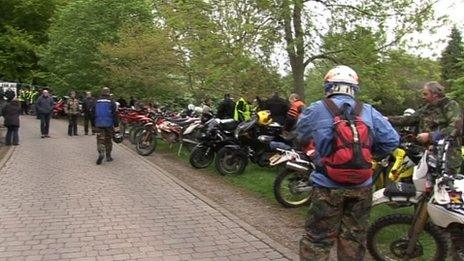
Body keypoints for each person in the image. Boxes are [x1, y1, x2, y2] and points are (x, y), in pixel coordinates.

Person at [297, 65, 399, 261]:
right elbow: (392, 140)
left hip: (327, 184)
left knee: (317, 240)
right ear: (354, 88)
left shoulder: (316, 109)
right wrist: (367, 154)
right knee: (353, 240)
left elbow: (301, 135)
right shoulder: (368, 111)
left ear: (329, 86)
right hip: (362, 186)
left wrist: (319, 154)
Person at [388, 81, 463, 260]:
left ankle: (454, 236)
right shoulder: (426, 108)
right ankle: (421, 228)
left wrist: (431, 136)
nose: (423, 97)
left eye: (425, 94)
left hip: (447, 157)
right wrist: (381, 118)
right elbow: (407, 119)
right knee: (423, 191)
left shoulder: (450, 105)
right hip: (428, 157)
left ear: (435, 94)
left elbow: (456, 126)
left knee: (446, 194)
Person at [92, 87, 119, 165]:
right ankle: (108, 156)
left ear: (101, 92)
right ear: (108, 93)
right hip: (109, 124)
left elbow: (93, 113)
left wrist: (93, 124)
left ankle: (101, 150)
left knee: (100, 138)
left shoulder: (96, 101)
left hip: (98, 123)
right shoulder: (111, 102)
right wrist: (116, 126)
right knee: (108, 139)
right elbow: (114, 114)